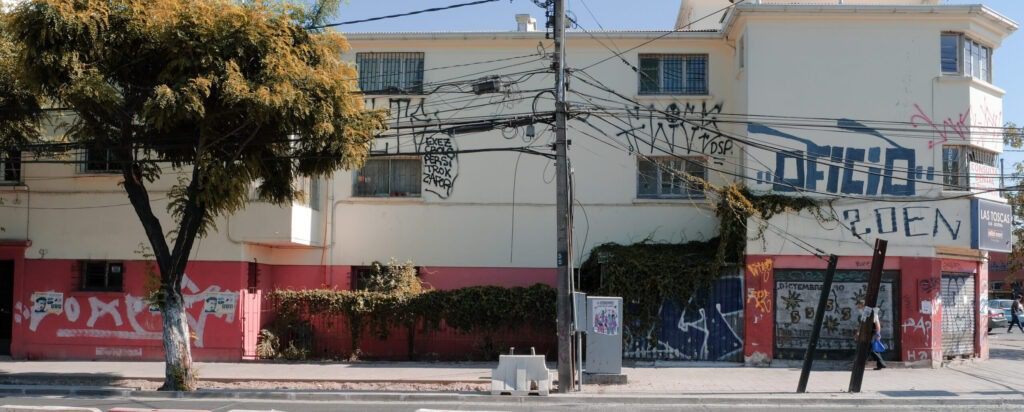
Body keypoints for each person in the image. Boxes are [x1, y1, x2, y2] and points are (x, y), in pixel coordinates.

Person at [855, 300, 887, 370]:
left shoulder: (872, 313)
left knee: (869, 348)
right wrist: (858, 332)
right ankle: (881, 364)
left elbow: (877, 324)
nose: (858, 308)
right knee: (871, 349)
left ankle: (860, 365)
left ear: (863, 305)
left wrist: (878, 334)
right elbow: (862, 324)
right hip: (868, 333)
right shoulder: (865, 313)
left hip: (873, 333)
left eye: (859, 306)